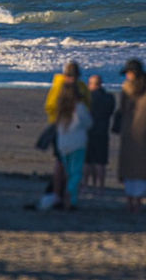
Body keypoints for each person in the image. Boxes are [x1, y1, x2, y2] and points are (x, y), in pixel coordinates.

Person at [45, 61, 90, 203]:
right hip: (64, 128)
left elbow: (50, 106)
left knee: (66, 164)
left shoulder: (72, 86)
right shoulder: (69, 87)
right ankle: (62, 193)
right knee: (64, 164)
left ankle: (62, 193)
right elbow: (50, 106)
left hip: (65, 128)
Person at [117, 59, 146, 213]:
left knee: (128, 165)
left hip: (129, 129)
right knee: (142, 166)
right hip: (145, 128)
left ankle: (129, 202)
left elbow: (122, 108)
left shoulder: (126, 88)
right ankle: (139, 201)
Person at [56, 81, 93, 209]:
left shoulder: (60, 107)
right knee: (76, 172)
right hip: (77, 143)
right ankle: (70, 194)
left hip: (62, 143)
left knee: (69, 172)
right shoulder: (79, 107)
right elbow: (88, 123)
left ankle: (72, 199)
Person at [83, 74, 115, 193]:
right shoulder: (109, 98)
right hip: (102, 131)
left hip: (88, 131)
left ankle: (86, 184)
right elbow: (110, 111)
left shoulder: (87, 98)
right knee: (100, 161)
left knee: (87, 161)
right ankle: (100, 186)